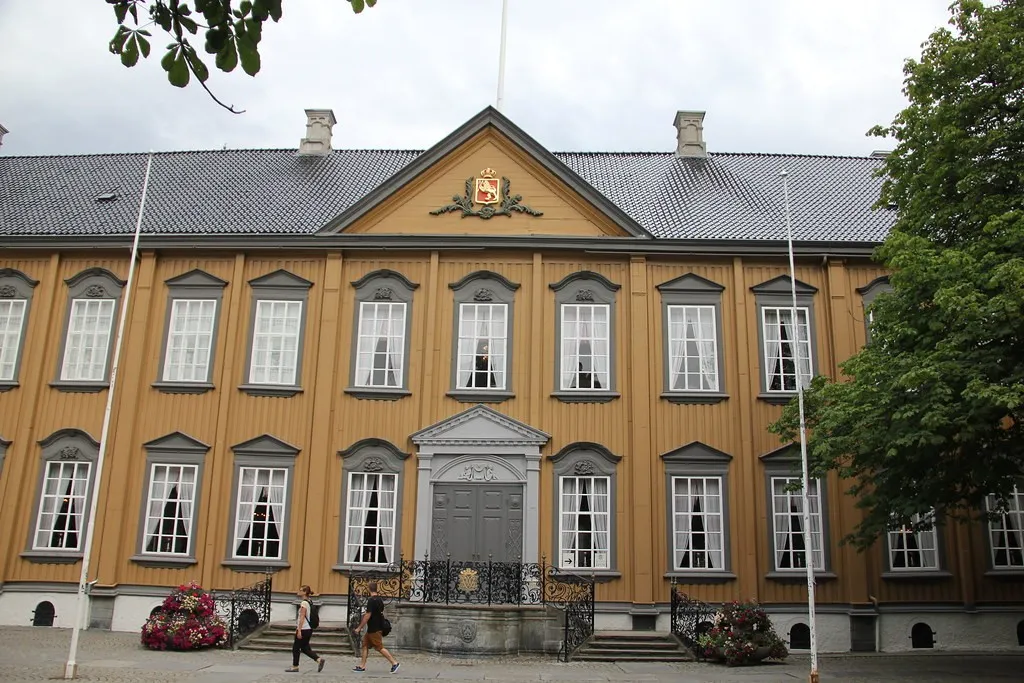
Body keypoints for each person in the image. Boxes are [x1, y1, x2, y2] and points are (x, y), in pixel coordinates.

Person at [351, 581, 399, 673]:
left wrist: (359, 627)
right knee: (364, 645)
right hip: (373, 628)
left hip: (375, 628)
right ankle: (362, 666)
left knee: (379, 647)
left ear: (369, 589)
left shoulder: (371, 600)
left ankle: (394, 663)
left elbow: (368, 615)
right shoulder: (379, 600)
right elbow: (378, 612)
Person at [285, 585, 325, 673]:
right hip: (309, 629)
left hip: (304, 629)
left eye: (300, 590)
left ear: (304, 592)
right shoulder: (309, 601)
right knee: (305, 648)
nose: (298, 592)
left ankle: (295, 666)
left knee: (296, 648)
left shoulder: (303, 603)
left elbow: (302, 617)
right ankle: (318, 659)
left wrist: (299, 630)